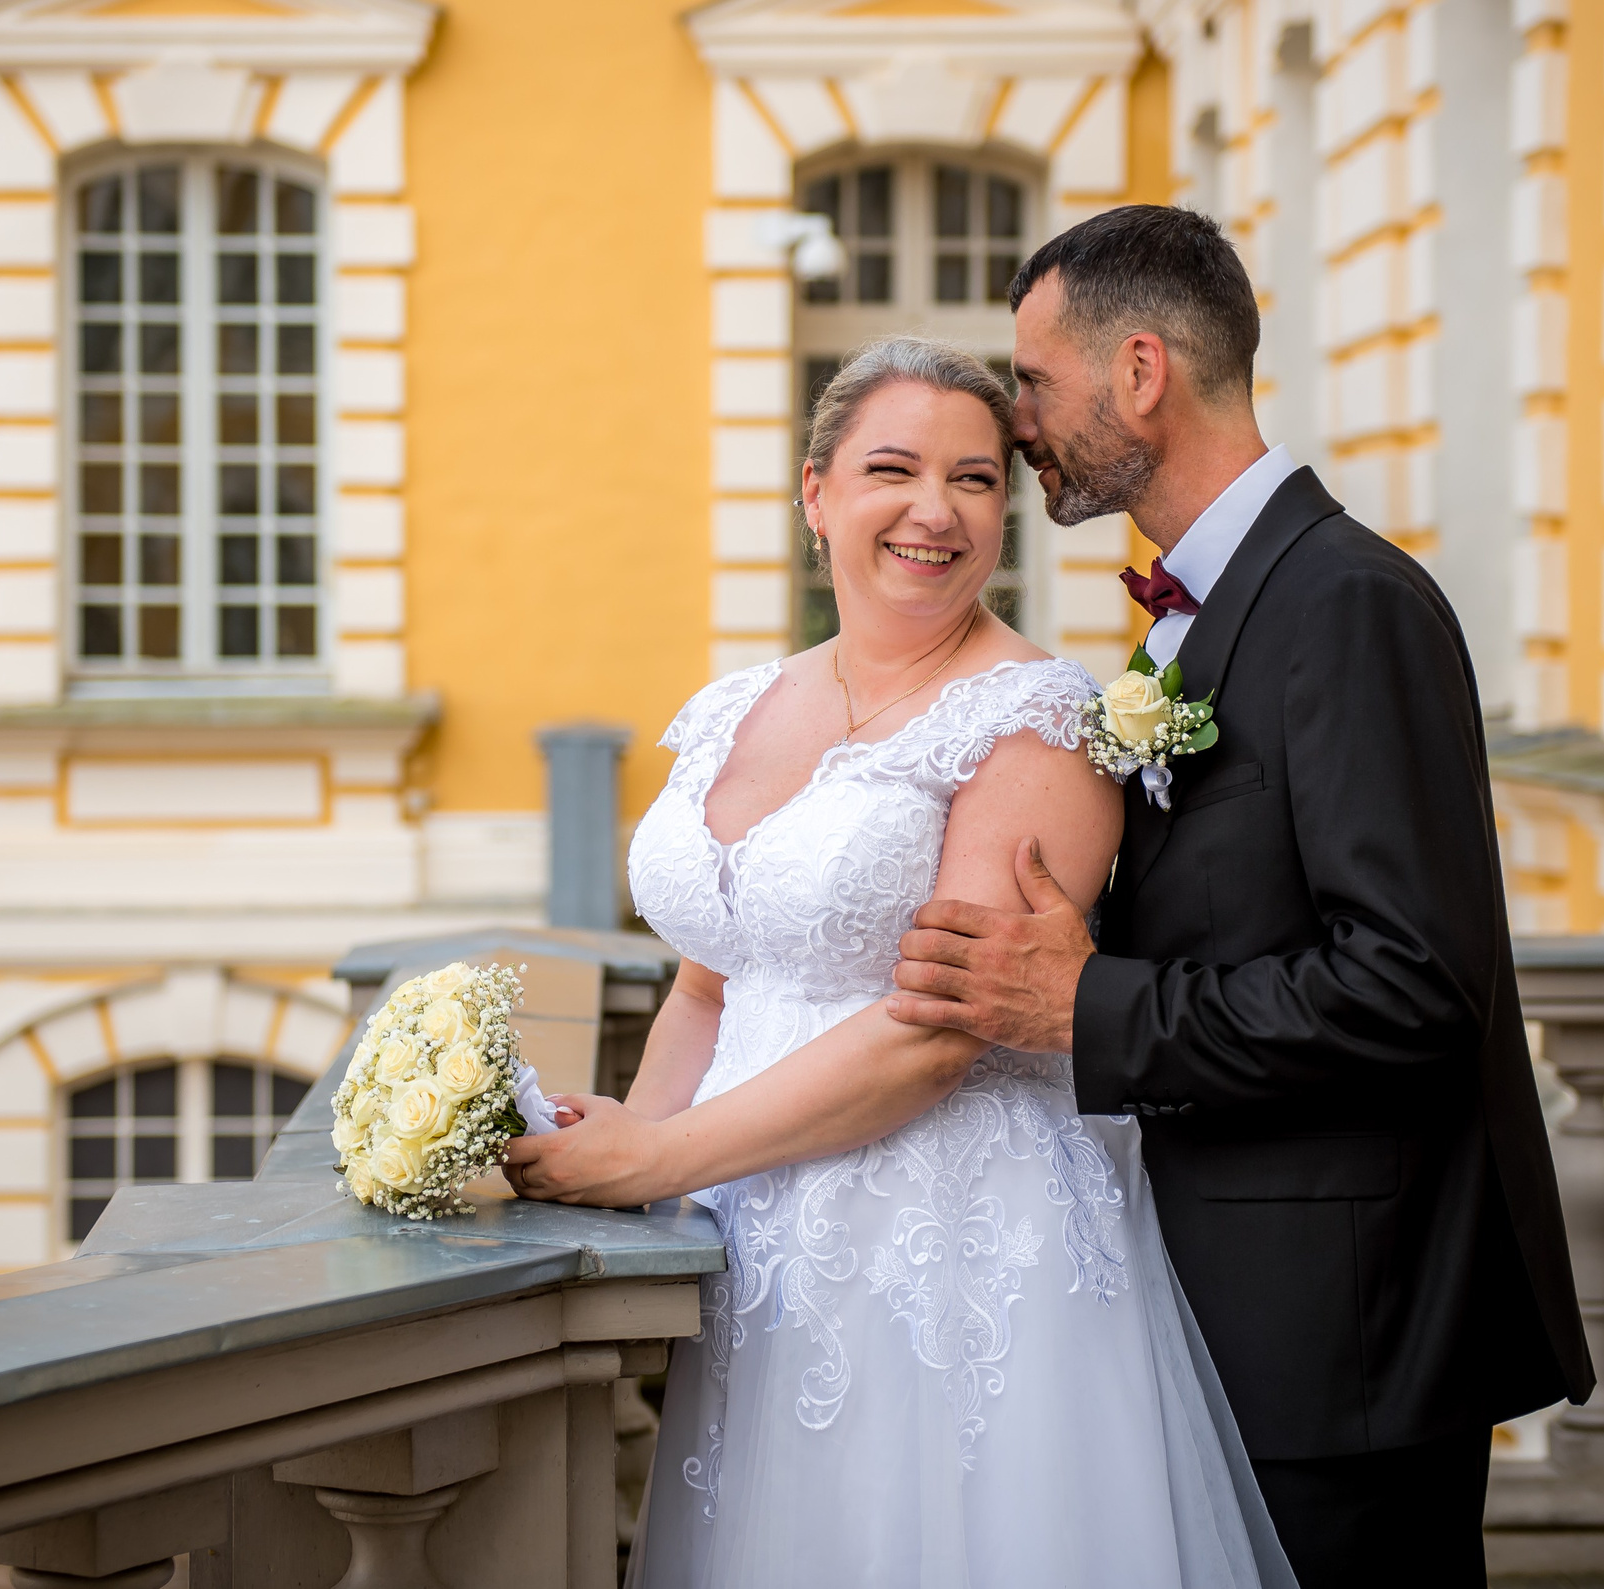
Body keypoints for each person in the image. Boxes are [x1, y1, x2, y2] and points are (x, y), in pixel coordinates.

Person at [505, 334, 1295, 1587]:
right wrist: (627, 1159)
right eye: (893, 468)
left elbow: (941, 1028)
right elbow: (712, 977)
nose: (935, 510)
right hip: (754, 1231)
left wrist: (660, 1153)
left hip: (950, 1243)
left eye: (976, 480)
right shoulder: (731, 708)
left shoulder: (1038, 718)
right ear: (816, 494)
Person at [883, 203, 1593, 1588]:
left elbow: (1413, 986)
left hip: (1349, 1341)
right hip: (1247, 1310)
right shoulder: (1192, 619)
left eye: (1034, 381)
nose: (1019, 425)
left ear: (1139, 370)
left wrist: (1090, 1001)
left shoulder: (1347, 604)